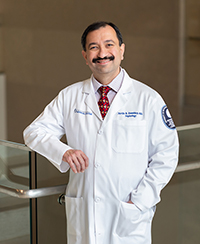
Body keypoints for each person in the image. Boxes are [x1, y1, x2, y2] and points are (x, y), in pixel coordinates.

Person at [23, 21, 179, 244]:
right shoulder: (70, 96)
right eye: (94, 47)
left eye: (109, 44)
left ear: (122, 50)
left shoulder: (148, 98)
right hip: (85, 214)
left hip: (129, 216)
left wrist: (141, 201)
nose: (102, 53)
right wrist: (63, 152)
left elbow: (166, 154)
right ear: (85, 56)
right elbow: (33, 132)